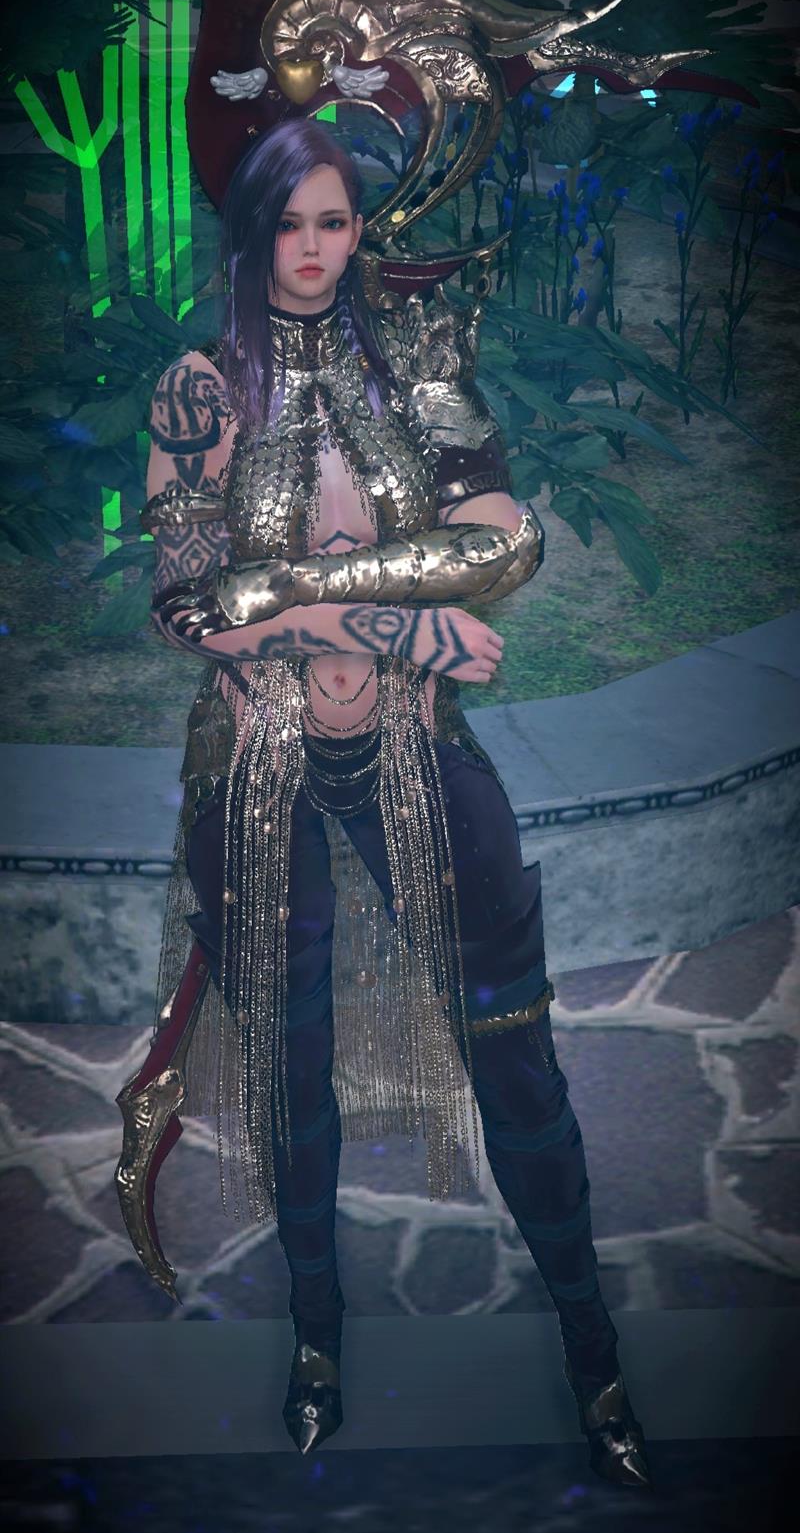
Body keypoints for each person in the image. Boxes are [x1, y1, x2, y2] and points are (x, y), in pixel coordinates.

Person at [115, 115, 651, 1487]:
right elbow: (187, 610)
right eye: (289, 223)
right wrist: (403, 621)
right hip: (257, 762)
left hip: (418, 741)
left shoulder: (415, 363)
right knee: (293, 1069)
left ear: (359, 232)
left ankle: (594, 1350)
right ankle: (318, 1341)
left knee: (515, 1044)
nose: (312, 248)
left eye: (335, 221)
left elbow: (504, 540)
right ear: (252, 231)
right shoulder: (197, 391)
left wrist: (298, 592)